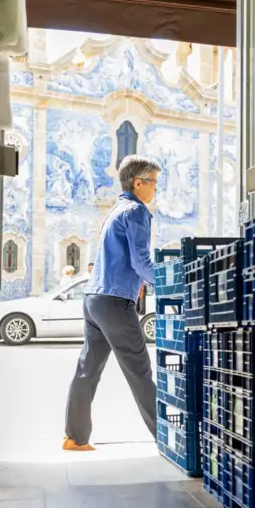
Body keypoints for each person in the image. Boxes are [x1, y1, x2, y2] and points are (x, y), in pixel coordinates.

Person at [63, 155, 161, 451]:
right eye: (154, 183)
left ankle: (75, 437)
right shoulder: (136, 211)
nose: (156, 189)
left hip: (94, 299)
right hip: (115, 301)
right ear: (138, 183)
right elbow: (141, 261)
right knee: (140, 370)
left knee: (88, 368)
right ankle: (167, 439)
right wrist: (169, 286)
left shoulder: (115, 211)